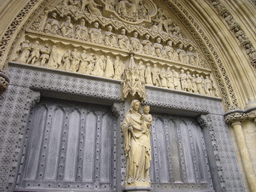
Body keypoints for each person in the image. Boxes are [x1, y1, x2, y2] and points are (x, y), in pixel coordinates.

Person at [122, 100, 151, 185]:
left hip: (142, 138)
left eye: (139, 105)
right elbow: (124, 125)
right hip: (134, 138)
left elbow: (145, 127)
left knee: (143, 158)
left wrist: (146, 125)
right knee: (134, 157)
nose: (137, 107)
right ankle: (132, 177)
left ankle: (142, 177)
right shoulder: (129, 116)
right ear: (133, 106)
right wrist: (128, 127)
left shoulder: (141, 116)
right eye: (136, 105)